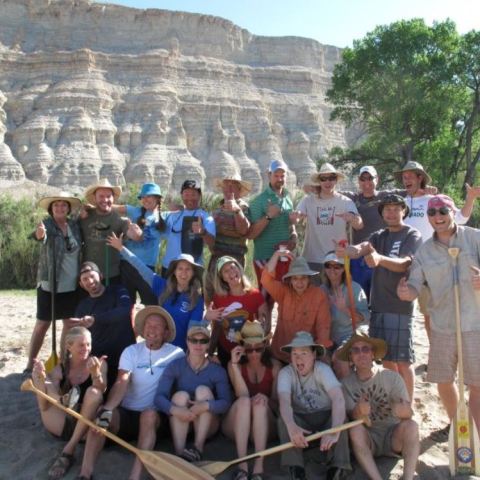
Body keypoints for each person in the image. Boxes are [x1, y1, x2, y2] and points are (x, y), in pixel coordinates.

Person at [397, 194, 480, 441]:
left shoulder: (474, 238)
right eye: (432, 213)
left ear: (453, 211)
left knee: (477, 385)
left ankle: (477, 434)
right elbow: (414, 285)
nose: (437, 217)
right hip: (442, 325)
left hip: (474, 323)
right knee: (444, 380)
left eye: (443, 211)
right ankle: (460, 428)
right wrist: (406, 292)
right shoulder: (424, 251)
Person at [77, 306, 184, 480]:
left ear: (166, 332)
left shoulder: (175, 354)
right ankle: (85, 473)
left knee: (149, 415)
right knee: (101, 417)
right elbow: (122, 381)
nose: (152, 329)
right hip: (128, 414)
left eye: (157, 326)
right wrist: (108, 409)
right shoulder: (131, 351)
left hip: (156, 418)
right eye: (149, 325)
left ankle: (134, 476)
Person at [336, 194, 422, 402]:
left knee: (403, 362)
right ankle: (395, 399)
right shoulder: (378, 236)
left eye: (396, 208)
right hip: (378, 305)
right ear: (382, 213)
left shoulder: (412, 234)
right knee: (385, 359)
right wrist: (349, 250)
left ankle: (407, 405)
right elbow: (362, 247)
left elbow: (404, 264)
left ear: (404, 211)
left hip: (399, 306)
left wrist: (379, 259)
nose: (391, 212)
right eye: (387, 209)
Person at [394, 161, 480, 340]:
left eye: (410, 176)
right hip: (416, 266)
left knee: (448, 311)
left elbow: (461, 218)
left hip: (439, 263)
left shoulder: (434, 201)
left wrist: (470, 198)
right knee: (427, 314)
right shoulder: (400, 203)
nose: (406, 179)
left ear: (420, 178)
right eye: (404, 177)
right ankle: (436, 352)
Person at [338, 330, 419, 480]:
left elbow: (409, 413)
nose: (361, 353)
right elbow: (350, 416)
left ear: (373, 354)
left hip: (393, 437)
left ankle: (408, 477)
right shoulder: (346, 384)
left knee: (412, 426)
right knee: (355, 429)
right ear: (350, 357)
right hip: (369, 440)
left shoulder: (391, 377)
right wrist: (359, 411)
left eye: (365, 349)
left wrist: (402, 411)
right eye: (355, 350)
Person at [107, 232, 204, 351]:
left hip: (180, 351)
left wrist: (207, 319)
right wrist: (121, 248)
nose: (183, 273)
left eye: (188, 269)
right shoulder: (162, 286)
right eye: (180, 269)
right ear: (174, 271)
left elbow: (193, 330)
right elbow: (139, 265)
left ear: (193, 273)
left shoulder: (196, 299)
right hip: (158, 347)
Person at [31, 327, 107, 480]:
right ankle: (60, 399)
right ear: (68, 346)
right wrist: (39, 378)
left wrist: (96, 374)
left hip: (86, 428)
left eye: (88, 345)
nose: (86, 349)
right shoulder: (60, 369)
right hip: (61, 423)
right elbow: (44, 405)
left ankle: (69, 449)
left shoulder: (98, 363)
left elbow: (102, 389)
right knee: (46, 382)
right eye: (81, 345)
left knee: (94, 393)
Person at [154, 321, 232, 463]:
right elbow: (159, 397)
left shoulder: (217, 370)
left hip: (207, 424)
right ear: (187, 342)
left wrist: (205, 406)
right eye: (193, 340)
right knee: (180, 396)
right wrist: (175, 410)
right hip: (182, 421)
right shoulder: (176, 365)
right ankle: (180, 452)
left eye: (203, 341)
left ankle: (198, 448)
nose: (198, 344)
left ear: (208, 344)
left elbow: (226, 402)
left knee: (203, 391)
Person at [277, 331, 351, 480]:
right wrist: (291, 426)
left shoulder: (322, 370)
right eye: (294, 354)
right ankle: (296, 468)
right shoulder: (285, 373)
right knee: (283, 420)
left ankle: (338, 467)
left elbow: (338, 399)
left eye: (304, 353)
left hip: (325, 418)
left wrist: (335, 431)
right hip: (301, 421)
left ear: (314, 355)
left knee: (341, 419)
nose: (298, 358)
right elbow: (284, 402)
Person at [24, 192, 83, 377]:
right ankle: (30, 363)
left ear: (68, 208)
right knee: (43, 323)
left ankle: (64, 360)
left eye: (63, 205)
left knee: (69, 323)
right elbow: (38, 235)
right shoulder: (47, 224)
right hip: (50, 282)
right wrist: (39, 234)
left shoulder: (74, 224)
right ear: (51, 209)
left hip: (72, 284)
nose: (60, 208)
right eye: (56, 205)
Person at [222, 320, 282, 480]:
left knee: (260, 405)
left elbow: (277, 406)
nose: (254, 354)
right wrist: (234, 366)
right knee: (244, 402)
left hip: (263, 424)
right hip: (239, 424)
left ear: (265, 346)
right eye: (249, 350)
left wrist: (266, 400)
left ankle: (258, 467)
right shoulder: (234, 365)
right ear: (241, 348)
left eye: (258, 349)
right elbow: (242, 396)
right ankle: (242, 464)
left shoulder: (274, 366)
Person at [66, 261, 135, 389]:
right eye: (85, 279)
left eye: (92, 276)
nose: (90, 281)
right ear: (81, 284)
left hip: (126, 355)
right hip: (100, 359)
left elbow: (124, 310)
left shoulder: (118, 290)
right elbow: (78, 335)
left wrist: (95, 319)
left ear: (101, 276)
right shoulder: (82, 307)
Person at [341, 165, 405, 297]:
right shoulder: (353, 198)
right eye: (363, 179)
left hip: (383, 255)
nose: (366, 183)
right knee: (360, 295)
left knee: (382, 295)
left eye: (370, 178)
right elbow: (329, 192)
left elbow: (410, 191)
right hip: (359, 257)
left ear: (377, 179)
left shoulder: (387, 196)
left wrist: (425, 189)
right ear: (358, 181)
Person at [293, 163, 363, 279]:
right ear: (319, 181)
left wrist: (352, 218)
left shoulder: (345, 202)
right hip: (312, 258)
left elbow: (359, 225)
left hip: (337, 259)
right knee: (315, 295)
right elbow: (296, 217)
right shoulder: (308, 201)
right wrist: (296, 216)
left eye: (331, 178)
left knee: (336, 295)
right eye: (323, 179)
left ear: (336, 180)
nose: (327, 182)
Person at [261, 251, 332, 363]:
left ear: (309, 278)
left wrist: (319, 353)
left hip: (306, 357)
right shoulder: (283, 291)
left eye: (303, 278)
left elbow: (323, 326)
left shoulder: (318, 295)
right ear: (290, 280)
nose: (299, 283)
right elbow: (266, 280)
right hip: (281, 355)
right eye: (295, 278)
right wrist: (277, 254)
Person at [205, 255, 268, 366]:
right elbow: (216, 327)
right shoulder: (218, 298)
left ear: (239, 269)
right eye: (226, 271)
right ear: (222, 278)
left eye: (233, 267)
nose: (231, 272)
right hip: (224, 351)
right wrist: (210, 352)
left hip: (248, 352)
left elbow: (266, 326)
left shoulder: (256, 295)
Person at [248, 159, 297, 300]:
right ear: (268, 175)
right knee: (265, 301)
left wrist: (293, 236)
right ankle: (266, 323)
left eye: (282, 176)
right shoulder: (258, 201)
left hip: (285, 257)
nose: (280, 179)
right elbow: (251, 234)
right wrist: (269, 216)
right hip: (264, 257)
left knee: (286, 297)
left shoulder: (288, 197)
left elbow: (290, 225)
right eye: (276, 175)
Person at [113, 182, 166, 304]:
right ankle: (128, 324)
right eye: (143, 197)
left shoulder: (164, 217)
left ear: (158, 198)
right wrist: (90, 208)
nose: (145, 199)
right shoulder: (134, 211)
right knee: (126, 304)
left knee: (152, 303)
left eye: (149, 196)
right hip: (127, 265)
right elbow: (109, 207)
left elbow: (180, 212)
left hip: (147, 267)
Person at [320, 252, 370, 378]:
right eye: (328, 266)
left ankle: (347, 393)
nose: (332, 270)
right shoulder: (322, 290)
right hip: (329, 338)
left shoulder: (354, 288)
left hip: (350, 336)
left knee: (340, 358)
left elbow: (366, 319)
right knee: (321, 359)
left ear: (344, 269)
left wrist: (345, 309)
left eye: (337, 266)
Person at [204, 174, 251, 303]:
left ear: (239, 191)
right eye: (226, 186)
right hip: (216, 256)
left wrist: (236, 210)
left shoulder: (244, 208)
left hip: (235, 258)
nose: (228, 189)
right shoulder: (218, 208)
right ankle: (213, 321)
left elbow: (244, 231)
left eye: (233, 186)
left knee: (233, 292)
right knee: (211, 291)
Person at [80, 178, 130, 285]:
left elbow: (134, 237)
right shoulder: (84, 216)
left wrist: (134, 230)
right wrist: (78, 212)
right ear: (95, 198)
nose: (105, 200)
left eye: (108, 196)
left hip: (111, 275)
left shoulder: (120, 220)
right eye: (101, 196)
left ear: (113, 198)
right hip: (88, 276)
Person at [161, 179, 215, 274]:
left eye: (193, 194)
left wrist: (203, 232)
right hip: (169, 267)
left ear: (199, 196)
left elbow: (212, 243)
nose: (190, 198)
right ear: (181, 195)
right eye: (186, 194)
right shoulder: (173, 214)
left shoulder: (206, 217)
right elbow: (154, 219)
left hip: (192, 268)